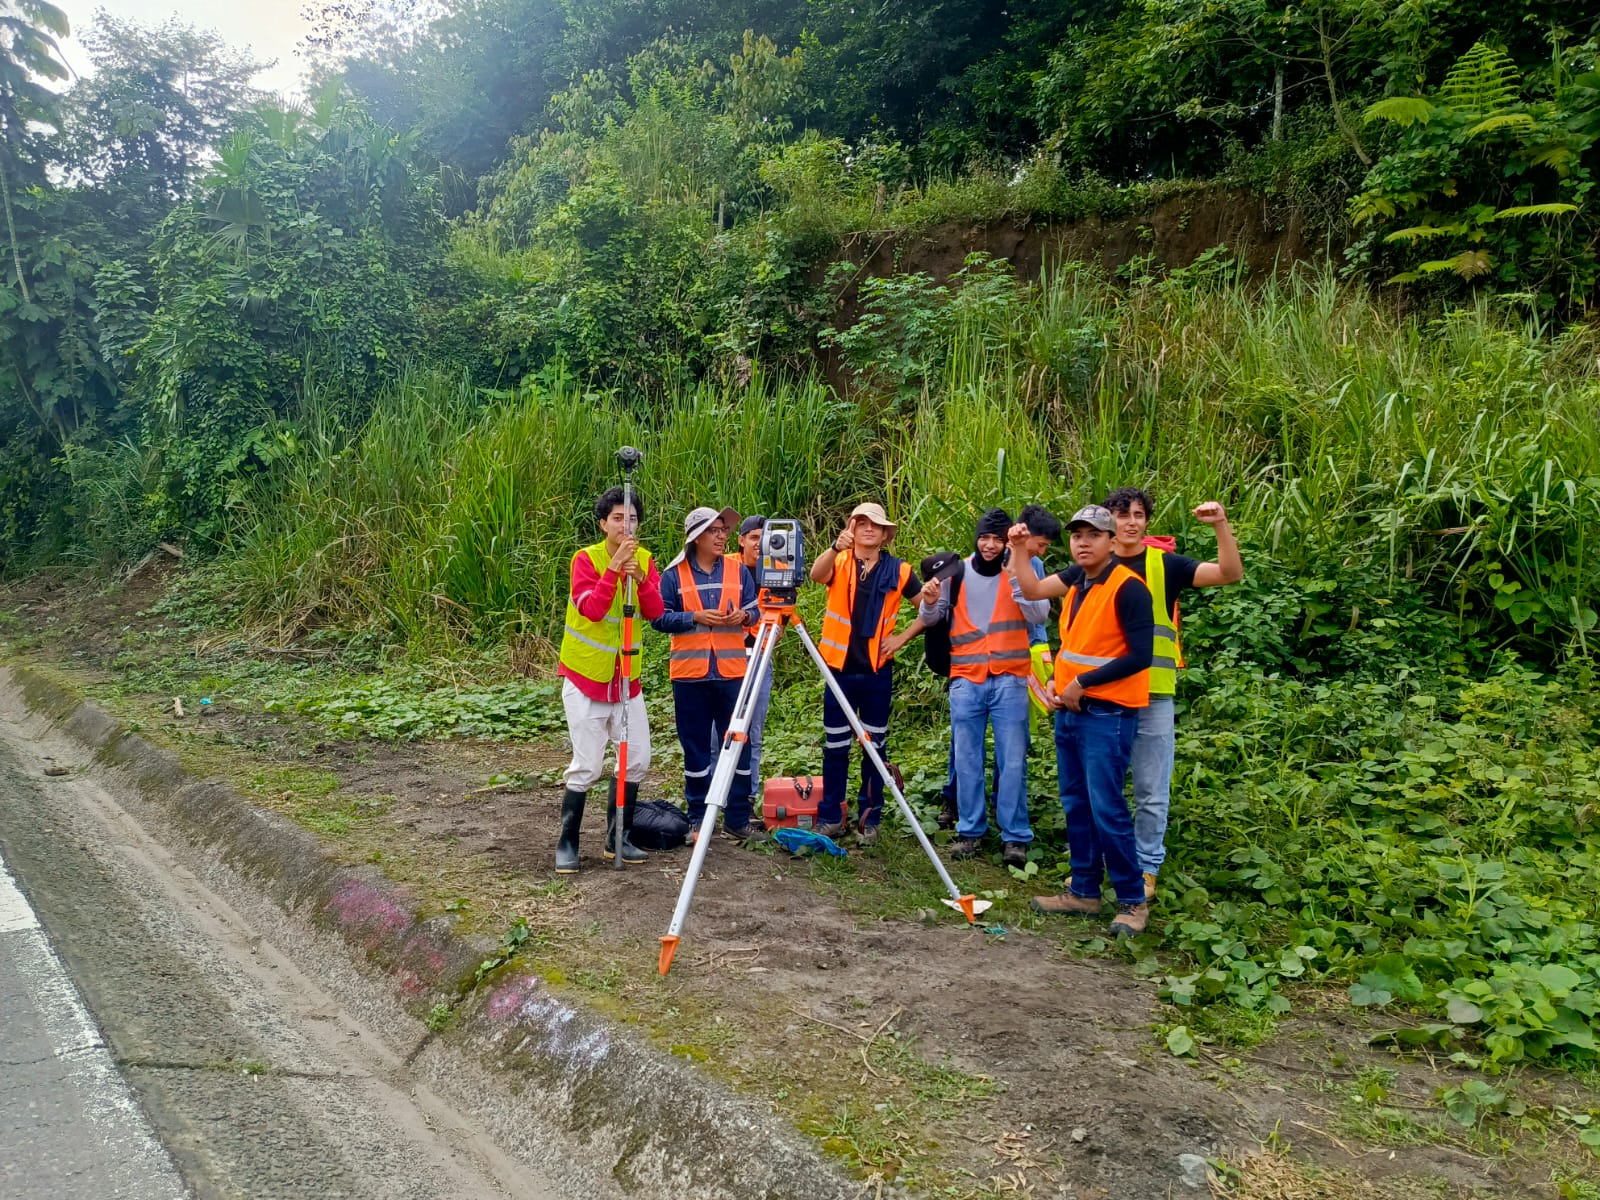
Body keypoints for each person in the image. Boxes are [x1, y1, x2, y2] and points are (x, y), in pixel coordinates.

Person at [1012, 505, 1154, 935]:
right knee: (1075, 802)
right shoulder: (1077, 578)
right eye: (1077, 535)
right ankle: (1084, 891)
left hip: (1108, 713)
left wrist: (1083, 682)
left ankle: (1132, 901)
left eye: (1093, 535)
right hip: (1070, 711)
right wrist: (1019, 549)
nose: (1083, 542)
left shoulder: (1129, 588)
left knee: (1107, 807)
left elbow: (1140, 656)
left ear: (1112, 541)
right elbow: (1032, 589)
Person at [1103, 487, 1243, 899]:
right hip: (1103, 695)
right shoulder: (1092, 565)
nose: (1131, 522)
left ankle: (1146, 868)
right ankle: (1099, 866)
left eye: (1138, 514)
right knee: (1103, 789)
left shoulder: (1163, 564)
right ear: (1108, 520)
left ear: (1146, 520)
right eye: (1122, 514)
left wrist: (1220, 525)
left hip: (1152, 695)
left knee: (1150, 791)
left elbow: (1229, 574)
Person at [917, 508, 1050, 869]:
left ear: (1007, 541)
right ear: (976, 538)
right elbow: (931, 618)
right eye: (984, 538)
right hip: (966, 677)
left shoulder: (1024, 568)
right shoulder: (956, 571)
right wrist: (929, 600)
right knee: (967, 759)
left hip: (1010, 677)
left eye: (997, 539)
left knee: (1013, 760)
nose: (990, 545)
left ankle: (1015, 836)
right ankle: (970, 831)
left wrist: (1017, 577)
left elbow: (1039, 615)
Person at [555, 486, 665, 872]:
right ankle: (568, 842)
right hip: (586, 677)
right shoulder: (585, 559)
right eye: (618, 518)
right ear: (603, 523)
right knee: (587, 765)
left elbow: (655, 612)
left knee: (636, 758)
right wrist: (615, 568)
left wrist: (642, 578)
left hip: (626, 680)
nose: (625, 525)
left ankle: (619, 838)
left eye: (632, 519)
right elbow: (593, 610)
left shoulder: (645, 560)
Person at [809, 502, 926, 845]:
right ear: (853, 529)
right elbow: (816, 575)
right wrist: (835, 546)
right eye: (862, 523)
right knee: (835, 747)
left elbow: (930, 609)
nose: (869, 528)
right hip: (838, 671)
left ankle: (869, 819)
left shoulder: (900, 570)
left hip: (877, 672)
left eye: (876, 525)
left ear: (885, 535)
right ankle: (831, 817)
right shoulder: (840, 560)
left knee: (875, 749)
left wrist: (902, 638)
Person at [651, 505, 766, 844]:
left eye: (723, 530)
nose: (721, 536)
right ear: (696, 537)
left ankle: (737, 819)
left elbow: (755, 609)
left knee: (739, 746)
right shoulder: (673, 575)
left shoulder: (738, 570)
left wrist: (744, 618)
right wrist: (695, 617)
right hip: (690, 676)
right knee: (696, 751)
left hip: (732, 673)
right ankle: (699, 818)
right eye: (714, 531)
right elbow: (659, 618)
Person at [737, 514, 775, 788]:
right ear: (741, 540)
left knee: (755, 732)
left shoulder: (777, 572)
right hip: (729, 656)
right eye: (754, 538)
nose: (760, 544)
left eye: (766, 539)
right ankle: (716, 793)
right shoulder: (726, 567)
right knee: (720, 731)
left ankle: (748, 794)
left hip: (761, 655)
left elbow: (782, 617)